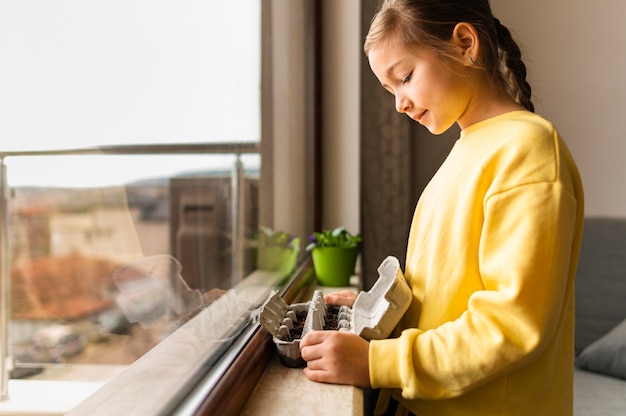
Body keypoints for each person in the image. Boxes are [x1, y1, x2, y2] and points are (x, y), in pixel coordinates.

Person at [299, 0, 585, 415]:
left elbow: (510, 326)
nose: (399, 102)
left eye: (406, 77)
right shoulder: (464, 151)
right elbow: (444, 298)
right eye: (390, 89)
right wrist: (376, 312)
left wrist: (378, 363)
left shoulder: (528, 151)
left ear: (465, 43)